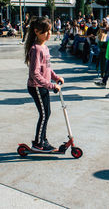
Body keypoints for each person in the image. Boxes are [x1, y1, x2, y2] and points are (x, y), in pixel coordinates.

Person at [24, 16, 64, 152]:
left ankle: (42, 139)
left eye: (50, 31)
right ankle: (38, 143)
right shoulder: (36, 49)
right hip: (36, 87)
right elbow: (35, 73)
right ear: (36, 31)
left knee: (46, 113)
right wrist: (51, 86)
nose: (49, 34)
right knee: (44, 114)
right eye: (45, 31)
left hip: (43, 86)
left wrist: (56, 78)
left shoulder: (44, 48)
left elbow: (47, 68)